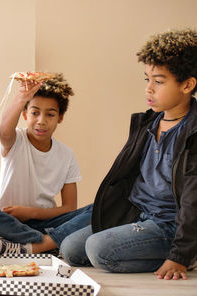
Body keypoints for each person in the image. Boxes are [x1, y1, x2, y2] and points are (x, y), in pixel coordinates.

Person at [60, 29, 197, 280]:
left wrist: (179, 256)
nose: (149, 89)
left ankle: (189, 254)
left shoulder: (192, 133)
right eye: (147, 79)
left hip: (170, 226)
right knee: (70, 249)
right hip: (137, 215)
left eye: (159, 81)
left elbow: (193, 202)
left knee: (98, 250)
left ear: (187, 85)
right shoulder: (146, 124)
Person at [0, 74, 92, 255]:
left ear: (60, 117)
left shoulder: (67, 155)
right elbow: (3, 129)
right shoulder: (15, 140)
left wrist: (31, 213)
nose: (41, 120)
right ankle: (47, 244)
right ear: (25, 114)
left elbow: (69, 208)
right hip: (8, 222)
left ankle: (29, 246)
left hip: (46, 223)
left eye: (50, 114)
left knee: (98, 210)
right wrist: (21, 98)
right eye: (35, 113)